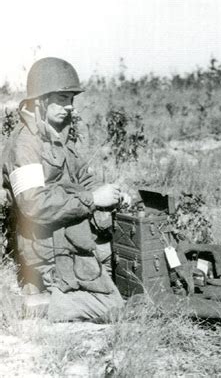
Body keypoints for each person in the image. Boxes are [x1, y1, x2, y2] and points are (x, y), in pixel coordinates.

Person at [2, 57, 127, 321]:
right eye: (61, 99)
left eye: (71, 99)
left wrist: (110, 194)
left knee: (123, 262)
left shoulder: (58, 136)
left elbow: (81, 176)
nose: (69, 107)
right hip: (45, 245)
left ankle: (47, 289)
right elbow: (34, 205)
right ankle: (36, 305)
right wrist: (92, 199)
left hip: (68, 233)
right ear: (40, 101)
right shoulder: (24, 146)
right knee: (114, 308)